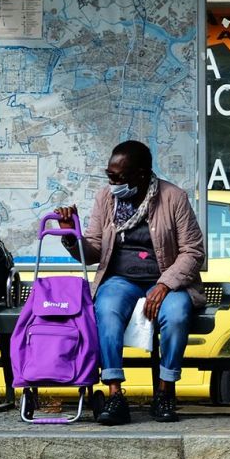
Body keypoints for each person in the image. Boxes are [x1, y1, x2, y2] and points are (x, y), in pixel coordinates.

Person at [54, 139, 205, 425]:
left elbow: (193, 250)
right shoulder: (106, 199)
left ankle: (165, 391)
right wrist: (70, 236)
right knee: (106, 310)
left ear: (142, 173)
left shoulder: (173, 197)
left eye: (118, 177)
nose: (112, 182)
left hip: (164, 280)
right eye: (109, 175)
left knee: (177, 313)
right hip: (120, 279)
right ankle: (114, 394)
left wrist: (165, 284)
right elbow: (95, 249)